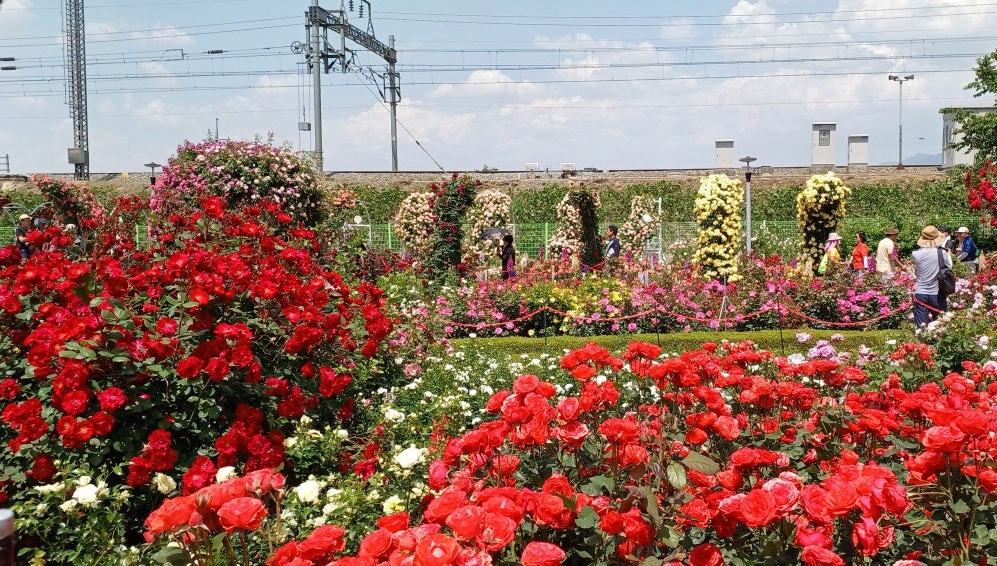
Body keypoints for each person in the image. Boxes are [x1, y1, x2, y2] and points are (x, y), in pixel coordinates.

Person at [911, 225, 951, 332]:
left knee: (921, 328)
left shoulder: (916, 254)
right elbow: (948, 267)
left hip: (921, 292)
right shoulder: (941, 253)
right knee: (941, 327)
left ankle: (921, 347)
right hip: (937, 292)